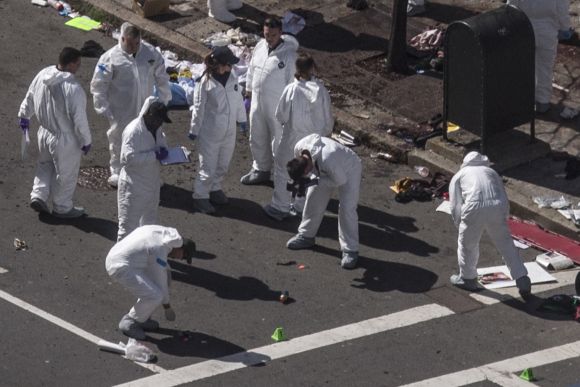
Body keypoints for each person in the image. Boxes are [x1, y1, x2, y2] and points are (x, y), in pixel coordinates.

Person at [91, 22, 171, 187]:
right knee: (119, 138)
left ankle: (148, 173)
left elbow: (161, 77)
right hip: (121, 108)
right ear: (122, 39)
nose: (135, 47)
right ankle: (118, 170)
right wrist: (103, 107)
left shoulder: (150, 53)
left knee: (149, 138)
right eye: (131, 43)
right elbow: (99, 85)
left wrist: (164, 99)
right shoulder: (109, 58)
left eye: (137, 43)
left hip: (146, 108)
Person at [18, 47, 92, 218]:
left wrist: (24, 115)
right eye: (78, 63)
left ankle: (39, 195)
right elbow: (79, 120)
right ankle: (62, 207)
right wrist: (86, 141)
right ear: (71, 64)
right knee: (66, 174)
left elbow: (30, 96)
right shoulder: (73, 88)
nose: (79, 67)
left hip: (44, 133)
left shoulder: (43, 74)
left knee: (44, 165)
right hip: (64, 139)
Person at [449, 151, 531, 297]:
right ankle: (522, 279)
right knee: (506, 244)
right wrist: (503, 217)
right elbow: (503, 196)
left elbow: (455, 205)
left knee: (467, 244)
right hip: (496, 206)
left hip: (473, 208)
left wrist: (460, 224)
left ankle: (468, 278)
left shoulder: (460, 175)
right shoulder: (492, 172)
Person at [263, 54, 334, 221]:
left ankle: (280, 206)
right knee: (308, 174)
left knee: (282, 170)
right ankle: (301, 207)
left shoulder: (292, 89)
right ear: (312, 68)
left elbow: (280, 115)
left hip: (291, 137)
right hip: (314, 140)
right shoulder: (322, 91)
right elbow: (328, 119)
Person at [105, 225, 197, 340]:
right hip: (120, 267)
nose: (180, 259)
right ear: (180, 249)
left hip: (121, 256)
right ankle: (130, 322)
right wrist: (167, 306)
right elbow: (160, 281)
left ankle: (142, 317)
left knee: (154, 286)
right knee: (155, 296)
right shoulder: (159, 250)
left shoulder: (161, 234)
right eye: (184, 257)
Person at [285, 134, 362, 269]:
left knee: (347, 208)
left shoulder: (328, 159)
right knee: (313, 198)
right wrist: (305, 182)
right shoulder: (299, 147)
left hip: (348, 169)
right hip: (322, 168)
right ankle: (306, 236)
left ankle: (350, 250)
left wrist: (314, 181)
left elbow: (340, 181)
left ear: (307, 169)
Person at [240, 16, 299, 185]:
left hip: (277, 106)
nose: (269, 38)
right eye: (266, 34)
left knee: (279, 141)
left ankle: (284, 175)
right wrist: (248, 94)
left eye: (273, 35)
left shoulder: (289, 56)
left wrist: (288, 110)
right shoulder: (260, 46)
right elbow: (252, 70)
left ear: (280, 33)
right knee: (256, 136)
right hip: (257, 103)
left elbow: (292, 85)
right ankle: (260, 169)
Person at [189, 47, 246, 214]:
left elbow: (238, 100)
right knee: (208, 166)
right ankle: (200, 196)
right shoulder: (205, 83)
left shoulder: (233, 77)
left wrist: (242, 120)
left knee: (223, 163)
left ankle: (215, 187)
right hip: (210, 133)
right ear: (220, 65)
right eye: (228, 64)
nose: (231, 67)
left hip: (229, 130)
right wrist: (194, 129)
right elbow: (198, 109)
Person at [117, 97, 171, 241]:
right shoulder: (133, 131)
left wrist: (167, 152)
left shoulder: (156, 127)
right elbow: (127, 159)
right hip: (133, 186)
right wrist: (154, 155)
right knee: (127, 228)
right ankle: (121, 262)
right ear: (149, 115)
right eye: (159, 120)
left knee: (149, 227)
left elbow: (160, 143)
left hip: (152, 183)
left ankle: (144, 258)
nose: (160, 124)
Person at [507, 0, 571, 113]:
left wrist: (510, 25)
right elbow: (562, 9)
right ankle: (542, 102)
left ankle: (522, 100)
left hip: (524, 28)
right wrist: (565, 27)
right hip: (547, 31)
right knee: (545, 68)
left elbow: (511, 6)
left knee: (523, 66)